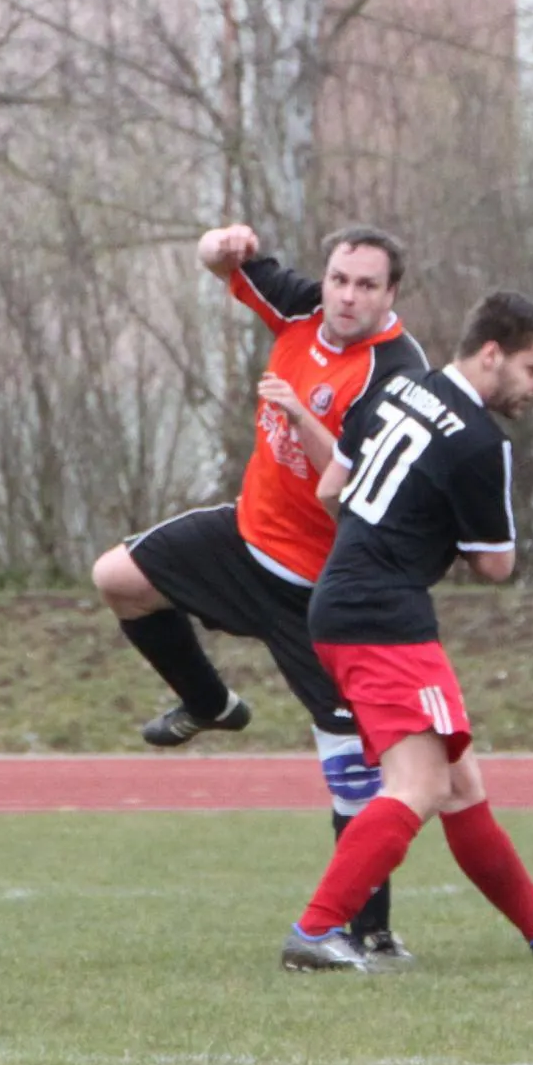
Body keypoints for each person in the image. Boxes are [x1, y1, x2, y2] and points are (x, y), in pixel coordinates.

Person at [91, 223, 428, 961]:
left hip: (324, 591)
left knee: (352, 767)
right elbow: (220, 264)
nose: (347, 296)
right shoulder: (302, 308)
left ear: (391, 294)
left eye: (366, 285)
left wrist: (302, 416)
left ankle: (370, 933)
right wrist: (220, 244)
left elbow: (350, 490)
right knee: (118, 579)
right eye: (339, 279)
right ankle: (211, 703)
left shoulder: (399, 374)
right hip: (245, 542)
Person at [279, 291, 533, 973]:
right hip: (384, 619)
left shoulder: (397, 387)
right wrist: (422, 538)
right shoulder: (481, 442)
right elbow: (495, 566)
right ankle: (316, 930)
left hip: (342, 601)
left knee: (460, 786)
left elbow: (332, 490)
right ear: (492, 354)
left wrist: (395, 530)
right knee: (418, 786)